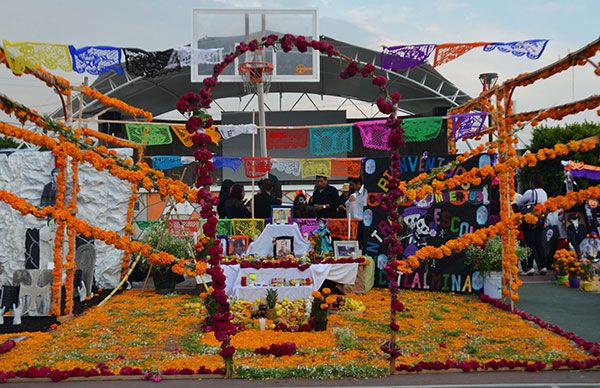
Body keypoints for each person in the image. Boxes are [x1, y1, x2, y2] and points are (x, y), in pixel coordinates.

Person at [517, 174, 548, 275]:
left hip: (530, 221)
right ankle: (542, 266)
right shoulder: (544, 193)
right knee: (539, 243)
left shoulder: (530, 192)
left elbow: (519, 203)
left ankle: (530, 267)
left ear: (533, 182)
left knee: (530, 244)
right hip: (541, 220)